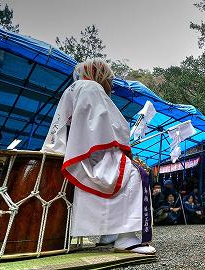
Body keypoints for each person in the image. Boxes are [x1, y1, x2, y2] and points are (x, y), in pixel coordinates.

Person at [41, 59, 155, 254]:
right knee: (137, 175)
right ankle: (125, 237)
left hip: (83, 154)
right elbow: (106, 126)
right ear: (100, 75)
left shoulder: (74, 88)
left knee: (127, 174)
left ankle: (108, 234)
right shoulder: (91, 87)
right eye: (110, 79)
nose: (111, 85)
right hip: (94, 154)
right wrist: (123, 138)